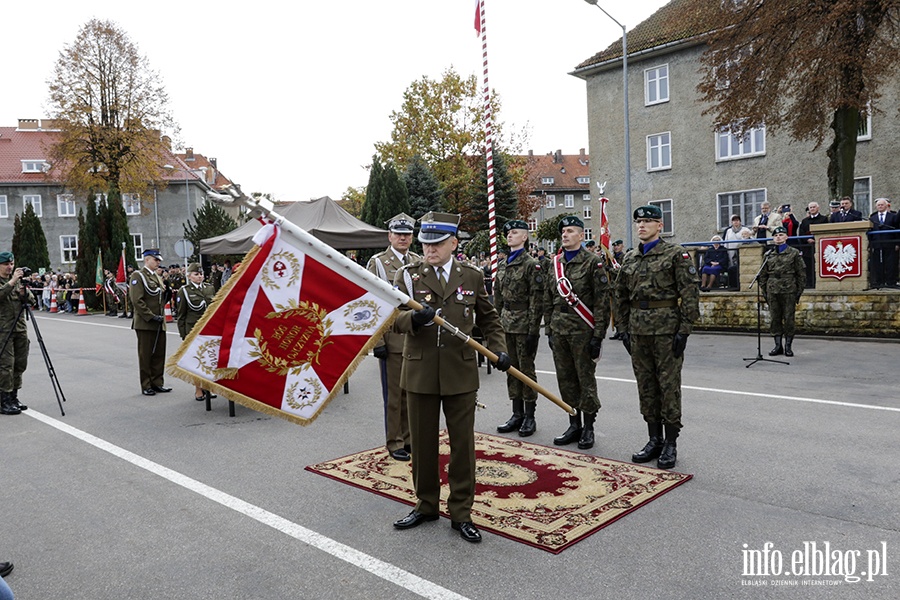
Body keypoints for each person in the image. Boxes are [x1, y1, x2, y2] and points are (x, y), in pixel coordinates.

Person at [391, 212, 509, 544]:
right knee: (423, 445)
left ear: (453, 244)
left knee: (462, 447)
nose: (429, 249)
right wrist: (413, 319)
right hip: (420, 371)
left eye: (437, 243)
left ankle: (461, 512)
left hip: (460, 373)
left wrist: (499, 350)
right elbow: (391, 317)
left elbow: (489, 318)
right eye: (426, 242)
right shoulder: (410, 276)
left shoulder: (471, 276)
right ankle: (426, 504)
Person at [614, 206, 700, 470]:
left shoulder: (675, 254)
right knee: (646, 387)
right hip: (638, 332)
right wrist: (623, 329)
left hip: (666, 331)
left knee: (668, 386)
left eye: (648, 221)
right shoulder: (630, 258)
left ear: (659, 225)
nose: (641, 226)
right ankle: (654, 439)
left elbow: (689, 293)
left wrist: (684, 330)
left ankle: (670, 443)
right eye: (638, 221)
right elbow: (619, 296)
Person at [543, 215, 611, 450]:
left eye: (571, 231)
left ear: (581, 236)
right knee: (565, 379)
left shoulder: (593, 263)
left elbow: (602, 302)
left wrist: (598, 336)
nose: (565, 234)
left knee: (585, 379)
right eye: (563, 231)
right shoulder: (554, 263)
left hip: (583, 330)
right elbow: (548, 298)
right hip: (559, 330)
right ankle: (573, 423)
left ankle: (589, 427)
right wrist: (549, 329)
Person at [366, 213, 421, 461]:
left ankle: (409, 438)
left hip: (416, 337)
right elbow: (371, 304)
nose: (403, 238)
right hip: (392, 338)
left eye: (407, 234)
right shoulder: (378, 263)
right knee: (394, 396)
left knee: (413, 392)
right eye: (398, 234)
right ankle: (395, 441)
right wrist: (377, 342)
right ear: (389, 236)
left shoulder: (418, 261)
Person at [494, 220, 543, 437]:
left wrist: (534, 330)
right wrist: (495, 325)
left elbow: (536, 299)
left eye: (515, 232)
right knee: (510, 368)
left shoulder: (531, 264)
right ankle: (516, 413)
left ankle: (529, 416)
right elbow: (497, 297)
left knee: (526, 370)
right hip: (506, 323)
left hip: (524, 323)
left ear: (524, 237)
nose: (510, 236)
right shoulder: (503, 264)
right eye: (508, 233)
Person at [129, 249, 171, 396]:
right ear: (147, 260)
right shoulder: (138, 276)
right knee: (146, 355)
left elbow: (158, 299)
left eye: (159, 260)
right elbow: (137, 300)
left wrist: (167, 294)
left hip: (159, 322)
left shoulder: (156, 277)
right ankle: (146, 385)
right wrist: (151, 316)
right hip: (146, 323)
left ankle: (157, 382)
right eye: (156, 260)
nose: (158, 263)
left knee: (159, 354)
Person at [759, 226, 805, 357]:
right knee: (775, 318)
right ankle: (777, 345)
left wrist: (798, 292)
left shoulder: (794, 253)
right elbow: (762, 275)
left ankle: (788, 346)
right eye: (776, 235)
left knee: (789, 318)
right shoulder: (768, 254)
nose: (778, 237)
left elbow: (801, 274)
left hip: (789, 289)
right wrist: (765, 290)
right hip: (773, 290)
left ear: (786, 237)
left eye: (781, 235)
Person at [176, 262, 216, 401]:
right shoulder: (184, 291)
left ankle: (209, 386)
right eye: (196, 274)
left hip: (209, 330)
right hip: (193, 330)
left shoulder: (209, 288)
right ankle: (198, 388)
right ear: (189, 276)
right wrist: (184, 335)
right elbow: (181, 315)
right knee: (196, 360)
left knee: (209, 359)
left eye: (201, 274)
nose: (199, 276)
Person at [0, 252, 33, 415]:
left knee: (20, 364)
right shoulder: (7, 282)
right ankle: (4, 400)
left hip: (20, 328)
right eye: (6, 264)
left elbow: (31, 301)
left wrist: (23, 293)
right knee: (6, 366)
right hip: (3, 330)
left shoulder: (19, 281)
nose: (9, 267)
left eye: (11, 264)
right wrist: (12, 282)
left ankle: (14, 397)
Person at [868, 198, 899, 288]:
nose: (880, 206)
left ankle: (891, 282)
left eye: (882, 205)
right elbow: (870, 231)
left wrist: (897, 243)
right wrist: (870, 245)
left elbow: (896, 229)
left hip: (890, 243)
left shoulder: (892, 216)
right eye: (878, 205)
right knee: (877, 264)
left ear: (886, 206)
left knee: (890, 263)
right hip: (877, 244)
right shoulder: (872, 218)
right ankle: (879, 282)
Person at [798, 201, 830, 288]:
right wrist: (807, 239)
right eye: (810, 207)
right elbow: (801, 233)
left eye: (814, 207)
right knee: (808, 266)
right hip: (808, 248)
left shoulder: (824, 219)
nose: (812, 209)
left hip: (820, 247)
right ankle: (809, 284)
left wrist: (816, 239)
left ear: (818, 208)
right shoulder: (804, 221)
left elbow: (826, 232)